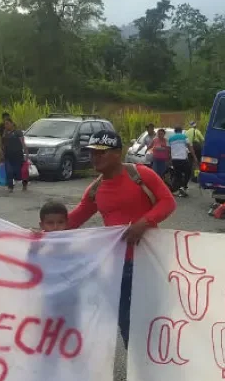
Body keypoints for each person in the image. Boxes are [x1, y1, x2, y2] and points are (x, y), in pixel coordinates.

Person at [66, 130, 177, 349]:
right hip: (118, 265)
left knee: (155, 315)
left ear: (118, 153)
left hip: (150, 261)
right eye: (92, 153)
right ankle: (138, 368)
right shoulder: (95, 189)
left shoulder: (141, 175)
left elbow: (168, 202)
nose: (95, 158)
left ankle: (161, 363)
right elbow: (75, 219)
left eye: (101, 153)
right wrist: (42, 233)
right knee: (125, 318)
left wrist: (143, 223)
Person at [0, 117, 29, 193]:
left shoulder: (18, 132)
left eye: (7, 123)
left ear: (12, 124)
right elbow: (3, 145)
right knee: (9, 171)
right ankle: (10, 187)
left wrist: (26, 154)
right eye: (5, 124)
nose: (6, 125)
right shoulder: (5, 133)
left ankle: (24, 184)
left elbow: (23, 143)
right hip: (8, 155)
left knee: (19, 172)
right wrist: (2, 154)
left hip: (17, 155)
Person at [168, 126, 196, 197]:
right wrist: (195, 157)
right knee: (188, 172)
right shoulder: (184, 137)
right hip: (183, 159)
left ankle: (181, 188)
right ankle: (183, 186)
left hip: (174, 160)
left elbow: (169, 150)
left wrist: (170, 159)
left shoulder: (170, 139)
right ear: (181, 131)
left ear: (175, 131)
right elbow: (190, 147)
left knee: (178, 175)